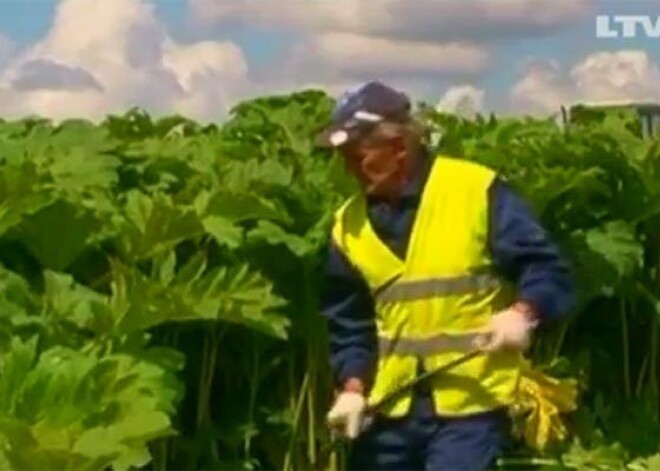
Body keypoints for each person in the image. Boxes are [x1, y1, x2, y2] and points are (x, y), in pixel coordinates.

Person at [316, 81, 575, 470]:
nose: (350, 169)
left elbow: (547, 267)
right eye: (343, 158)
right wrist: (352, 388)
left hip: (473, 405)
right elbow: (350, 323)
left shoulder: (474, 190)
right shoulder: (347, 227)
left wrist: (523, 313)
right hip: (392, 408)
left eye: (359, 155)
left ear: (399, 147)